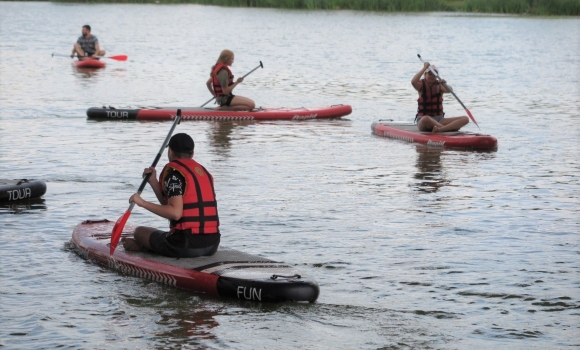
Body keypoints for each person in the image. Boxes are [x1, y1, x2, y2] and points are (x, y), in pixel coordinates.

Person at [123, 133, 220, 258]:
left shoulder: (174, 174)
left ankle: (144, 247)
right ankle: (147, 247)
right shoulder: (203, 172)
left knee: (139, 232)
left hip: (185, 245)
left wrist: (142, 203)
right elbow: (170, 206)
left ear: (170, 152)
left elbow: (175, 213)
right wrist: (153, 181)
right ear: (192, 154)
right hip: (212, 244)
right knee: (159, 234)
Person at [411, 62, 469, 133]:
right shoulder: (420, 86)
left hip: (439, 120)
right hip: (424, 121)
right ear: (425, 75)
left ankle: (441, 129)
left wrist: (445, 84)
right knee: (426, 119)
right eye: (429, 74)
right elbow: (413, 82)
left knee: (465, 119)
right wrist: (424, 68)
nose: (432, 76)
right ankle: (449, 128)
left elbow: (449, 90)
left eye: (434, 75)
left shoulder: (439, 85)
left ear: (436, 76)